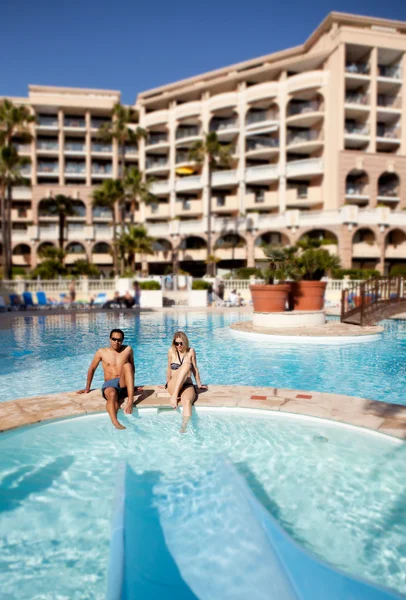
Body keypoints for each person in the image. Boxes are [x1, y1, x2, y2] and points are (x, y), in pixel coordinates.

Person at [77, 329, 135, 430]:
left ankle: (130, 400)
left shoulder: (128, 350)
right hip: (110, 384)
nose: (116, 342)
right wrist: (87, 388)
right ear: (110, 339)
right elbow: (92, 369)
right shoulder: (101, 352)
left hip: (123, 383)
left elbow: (132, 369)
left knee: (128, 365)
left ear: (122, 340)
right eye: (114, 339)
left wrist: (133, 385)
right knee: (112, 395)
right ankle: (115, 422)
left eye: (119, 340)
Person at [166, 331, 207, 432]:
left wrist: (199, 384)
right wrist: (167, 383)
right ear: (174, 343)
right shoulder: (171, 351)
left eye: (181, 343)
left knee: (187, 401)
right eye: (177, 343)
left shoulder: (191, 351)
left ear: (185, 342)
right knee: (186, 365)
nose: (179, 346)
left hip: (187, 385)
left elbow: (195, 369)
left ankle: (184, 428)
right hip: (174, 385)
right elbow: (168, 368)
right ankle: (174, 396)